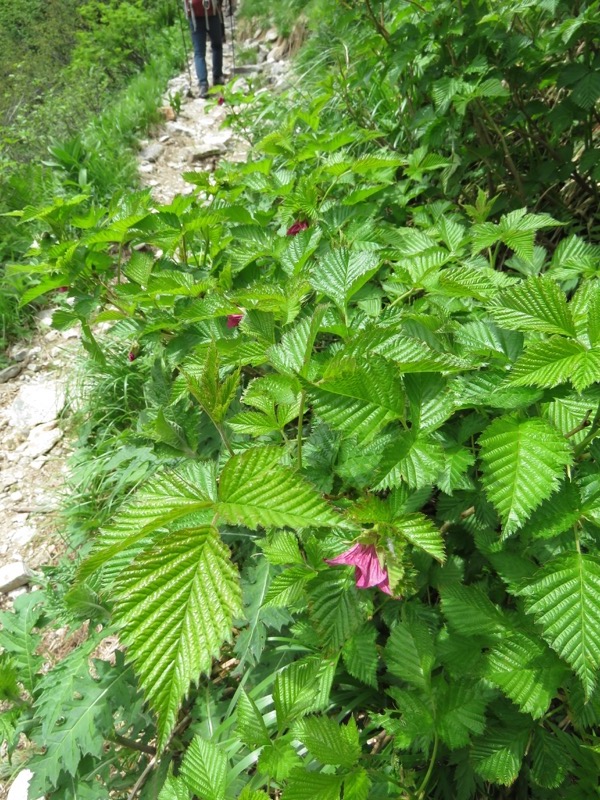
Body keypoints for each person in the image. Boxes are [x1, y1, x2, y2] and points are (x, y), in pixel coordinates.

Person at [185, 0, 226, 99]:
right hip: (213, 13)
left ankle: (203, 84)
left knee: (199, 52)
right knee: (217, 46)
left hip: (195, 16)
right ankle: (217, 76)